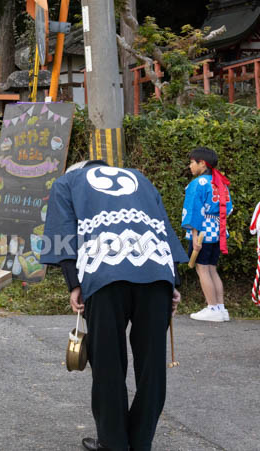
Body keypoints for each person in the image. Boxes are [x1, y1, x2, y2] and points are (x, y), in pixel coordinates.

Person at [41, 161, 188, 451]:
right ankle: (140, 441)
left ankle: (114, 443)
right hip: (155, 273)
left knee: (108, 363)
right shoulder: (140, 178)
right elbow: (163, 231)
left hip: (104, 275)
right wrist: (174, 283)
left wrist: (74, 284)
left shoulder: (67, 183)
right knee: (152, 367)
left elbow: (63, 234)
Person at [181, 147, 233, 322]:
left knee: (202, 268)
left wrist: (194, 237)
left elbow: (194, 211)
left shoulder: (198, 184)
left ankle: (212, 308)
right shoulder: (221, 183)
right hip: (219, 230)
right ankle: (221, 308)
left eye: (192, 162)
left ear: (202, 163)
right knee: (212, 268)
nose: (190, 166)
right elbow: (229, 208)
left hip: (203, 230)